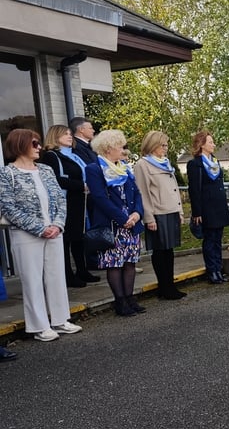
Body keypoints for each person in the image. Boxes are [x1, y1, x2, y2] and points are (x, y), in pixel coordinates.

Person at [0, 128, 83, 340]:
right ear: (20, 145)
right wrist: (39, 228)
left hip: (54, 231)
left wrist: (57, 224)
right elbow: (9, 207)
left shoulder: (45, 169)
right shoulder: (7, 173)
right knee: (32, 279)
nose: (39, 147)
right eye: (34, 143)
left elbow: (59, 199)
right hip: (26, 234)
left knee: (56, 276)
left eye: (38, 143)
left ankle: (60, 319)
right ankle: (39, 326)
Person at [85, 130, 145, 316]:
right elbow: (100, 198)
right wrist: (122, 219)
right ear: (109, 148)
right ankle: (120, 302)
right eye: (120, 146)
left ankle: (130, 298)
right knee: (114, 264)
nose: (123, 149)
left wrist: (137, 214)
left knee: (130, 262)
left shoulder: (125, 167)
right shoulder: (94, 169)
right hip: (113, 225)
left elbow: (136, 193)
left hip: (131, 223)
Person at [38, 124, 100, 288]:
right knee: (66, 240)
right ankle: (67, 275)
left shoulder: (74, 155)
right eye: (65, 134)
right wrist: (81, 186)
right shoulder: (51, 156)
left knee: (78, 238)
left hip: (79, 201)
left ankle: (82, 270)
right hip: (66, 202)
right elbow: (55, 179)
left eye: (69, 133)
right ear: (55, 136)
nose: (69, 136)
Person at [133, 131, 186, 300]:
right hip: (157, 213)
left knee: (169, 251)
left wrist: (180, 211)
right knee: (160, 252)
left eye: (166, 145)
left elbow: (174, 189)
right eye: (163, 145)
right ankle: (164, 287)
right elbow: (143, 193)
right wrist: (148, 217)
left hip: (171, 211)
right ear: (152, 145)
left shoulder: (164, 162)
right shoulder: (143, 164)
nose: (166, 148)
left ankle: (169, 285)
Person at [187, 130, 229, 283]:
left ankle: (219, 270)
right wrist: (196, 212)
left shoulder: (215, 162)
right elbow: (194, 190)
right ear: (202, 144)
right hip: (206, 208)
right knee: (209, 240)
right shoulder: (195, 164)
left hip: (218, 205)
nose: (213, 145)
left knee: (217, 240)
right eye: (210, 142)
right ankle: (211, 271)